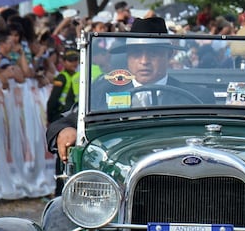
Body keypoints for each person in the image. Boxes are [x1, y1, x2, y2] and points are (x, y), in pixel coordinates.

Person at [47, 16, 186, 162]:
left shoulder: (190, 97)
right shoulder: (104, 92)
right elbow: (63, 122)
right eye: (136, 53)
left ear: (168, 55)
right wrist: (64, 130)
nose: (144, 61)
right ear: (128, 57)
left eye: (153, 53)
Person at [47, 49, 80, 123]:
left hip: (73, 111)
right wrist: (50, 118)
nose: (74, 63)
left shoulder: (77, 76)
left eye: (75, 60)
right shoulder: (61, 77)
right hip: (62, 112)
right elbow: (53, 98)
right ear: (64, 62)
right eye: (70, 61)